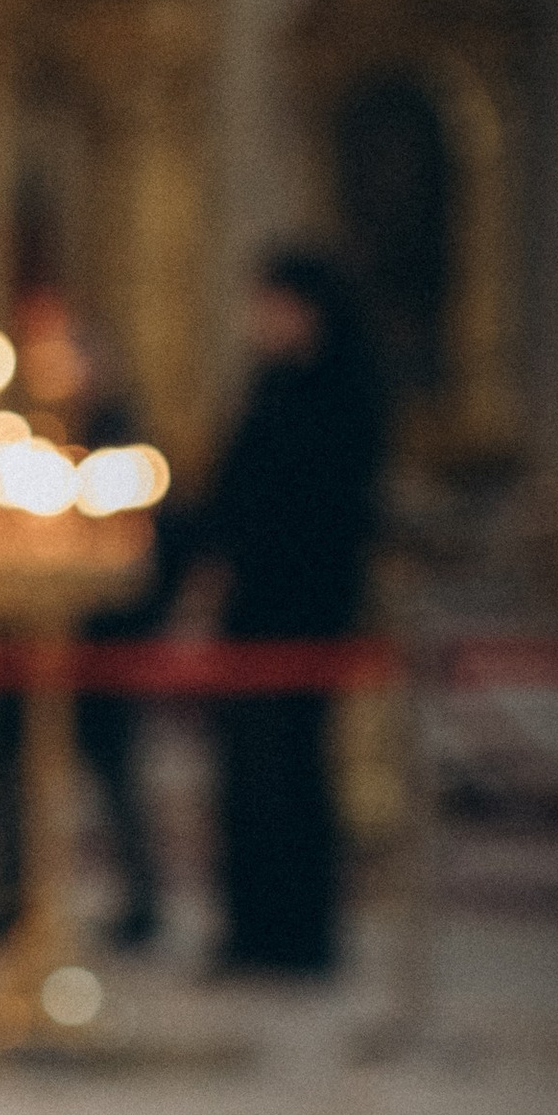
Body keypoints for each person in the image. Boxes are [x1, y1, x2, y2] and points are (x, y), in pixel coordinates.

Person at [166, 247, 386, 976]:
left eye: (271, 305)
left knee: (295, 777)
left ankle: (300, 935)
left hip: (305, 611)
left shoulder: (344, 390)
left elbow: (322, 506)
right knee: (245, 781)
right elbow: (234, 489)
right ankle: (252, 930)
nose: (258, 321)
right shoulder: (267, 384)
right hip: (253, 612)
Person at [0, 296, 163, 953]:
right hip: (21, 634)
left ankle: (138, 902)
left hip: (98, 634)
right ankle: (11, 895)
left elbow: (139, 526)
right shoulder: (18, 433)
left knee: (112, 768)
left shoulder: (119, 433)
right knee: (6, 765)